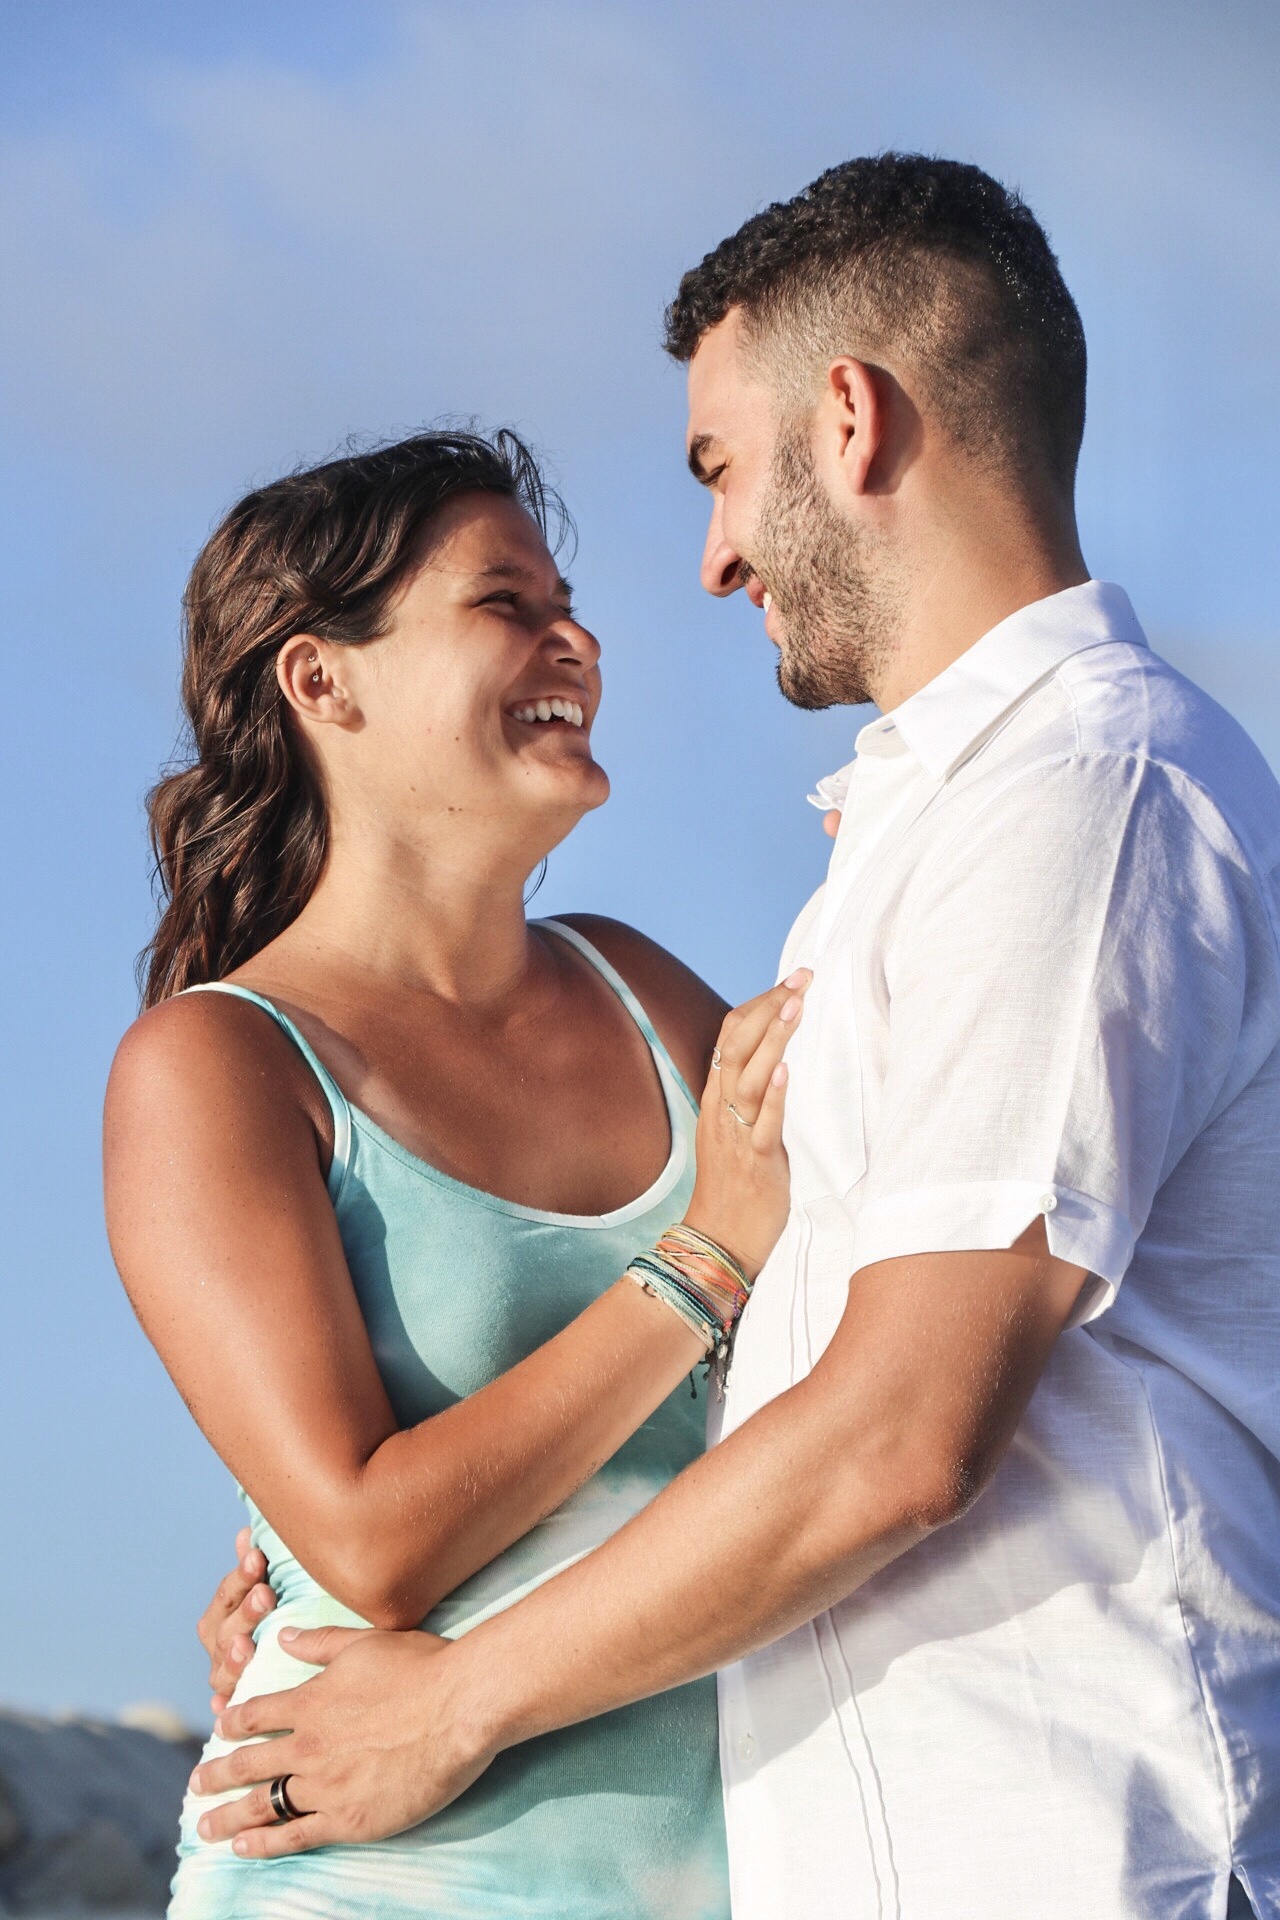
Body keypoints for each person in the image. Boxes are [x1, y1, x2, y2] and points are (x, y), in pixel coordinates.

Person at [193, 156, 1280, 1918]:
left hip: (1069, 1851)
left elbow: (897, 1433)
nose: (708, 563)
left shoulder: (1079, 800)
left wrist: (453, 1700)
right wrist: (309, 1565)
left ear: (849, 420)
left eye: (718, 469)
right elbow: (750, 1368)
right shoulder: (916, 840)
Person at [104, 427, 812, 1920]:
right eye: (504, 602)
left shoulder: (640, 989)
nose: (578, 643)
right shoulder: (215, 1067)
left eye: (569, 605)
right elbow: (371, 1545)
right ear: (322, 681)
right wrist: (703, 1261)